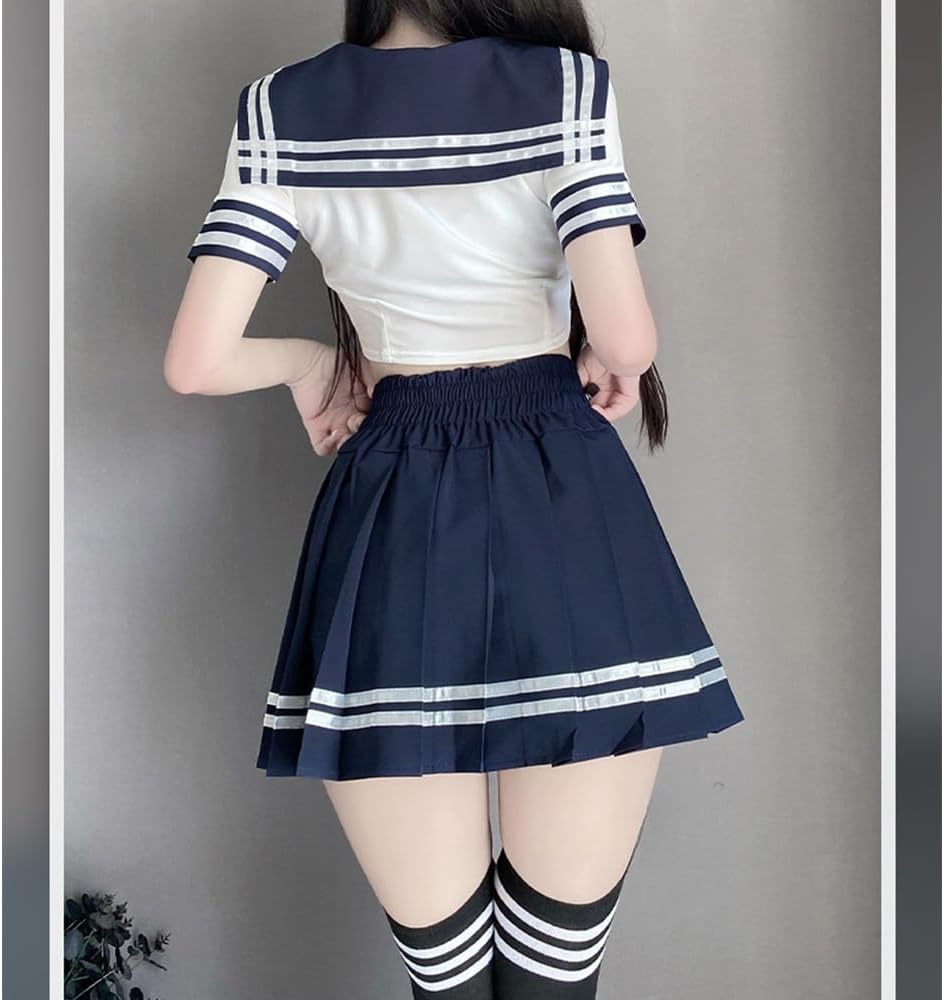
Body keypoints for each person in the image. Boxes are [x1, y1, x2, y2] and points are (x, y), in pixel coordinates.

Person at [164, 2, 745, 996]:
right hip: (559, 496)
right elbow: (627, 339)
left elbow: (196, 362)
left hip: (389, 505)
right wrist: (602, 355)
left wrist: (311, 363)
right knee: (554, 965)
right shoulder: (562, 88)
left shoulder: (279, 110)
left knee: (446, 976)